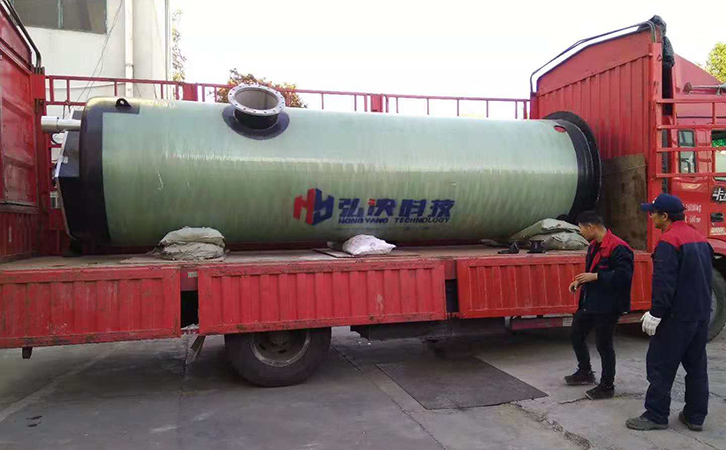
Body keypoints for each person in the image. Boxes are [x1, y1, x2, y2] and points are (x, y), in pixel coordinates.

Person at [626, 194, 712, 431]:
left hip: (677, 317)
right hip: (700, 314)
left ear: (664, 216)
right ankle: (695, 416)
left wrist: (656, 313)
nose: (650, 216)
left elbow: (664, 283)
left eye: (652, 212)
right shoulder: (700, 238)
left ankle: (656, 415)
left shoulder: (669, 241)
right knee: (696, 367)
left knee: (660, 365)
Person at [566, 211, 634, 400]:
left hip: (609, 305)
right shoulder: (594, 246)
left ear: (591, 227)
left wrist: (596, 276)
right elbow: (592, 271)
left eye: (580, 228)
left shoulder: (619, 247)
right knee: (576, 334)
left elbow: (624, 277)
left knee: (604, 345)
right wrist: (580, 281)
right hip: (591, 302)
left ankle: (607, 386)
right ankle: (585, 371)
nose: (580, 232)